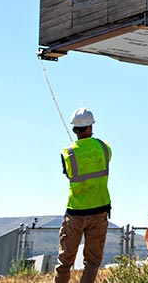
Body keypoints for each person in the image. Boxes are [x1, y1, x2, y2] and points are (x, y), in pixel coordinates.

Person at [54, 107, 112, 283]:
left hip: (76, 212)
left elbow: (69, 174)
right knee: (92, 261)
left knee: (65, 261)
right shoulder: (104, 148)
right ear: (90, 127)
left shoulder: (67, 153)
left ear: (74, 130)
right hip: (99, 210)